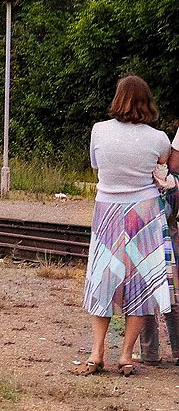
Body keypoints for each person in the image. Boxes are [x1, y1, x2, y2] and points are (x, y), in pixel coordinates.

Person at [76, 75, 176, 376]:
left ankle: (96, 351)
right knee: (141, 281)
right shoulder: (159, 138)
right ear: (147, 101)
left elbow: (96, 166)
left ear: (118, 99)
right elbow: (160, 168)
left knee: (103, 278)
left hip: (107, 210)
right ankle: (127, 355)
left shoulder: (99, 131)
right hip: (144, 214)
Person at [139, 160, 179, 365]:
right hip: (171, 243)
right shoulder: (174, 183)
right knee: (174, 295)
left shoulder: (139, 178)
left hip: (145, 242)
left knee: (146, 295)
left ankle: (150, 353)